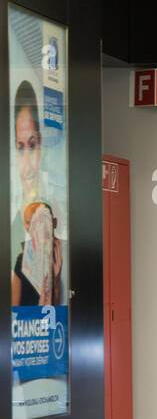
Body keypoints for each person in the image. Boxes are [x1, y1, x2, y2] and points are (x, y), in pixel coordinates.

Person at [11, 82, 64, 307]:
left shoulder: (56, 205)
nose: (28, 166)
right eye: (20, 147)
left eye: (31, 145)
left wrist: (56, 275)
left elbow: (57, 305)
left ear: (41, 144)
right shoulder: (13, 227)